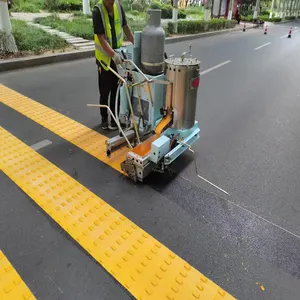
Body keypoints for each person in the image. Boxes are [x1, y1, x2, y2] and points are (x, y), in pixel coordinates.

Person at [92, 0, 134, 130]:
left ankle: (115, 120)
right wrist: (113, 55)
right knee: (105, 91)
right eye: (109, 2)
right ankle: (104, 119)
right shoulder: (97, 11)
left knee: (117, 90)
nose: (111, 4)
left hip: (117, 56)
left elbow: (125, 27)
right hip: (104, 59)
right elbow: (101, 38)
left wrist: (137, 43)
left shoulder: (118, 7)